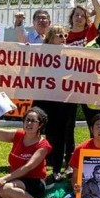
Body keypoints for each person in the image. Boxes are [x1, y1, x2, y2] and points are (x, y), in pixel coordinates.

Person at [32, 24, 77, 181]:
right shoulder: (39, 53)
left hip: (64, 102)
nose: (63, 39)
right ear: (50, 38)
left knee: (60, 136)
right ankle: (34, 167)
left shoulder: (72, 54)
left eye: (65, 35)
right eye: (59, 35)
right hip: (45, 100)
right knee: (39, 133)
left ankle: (57, 169)